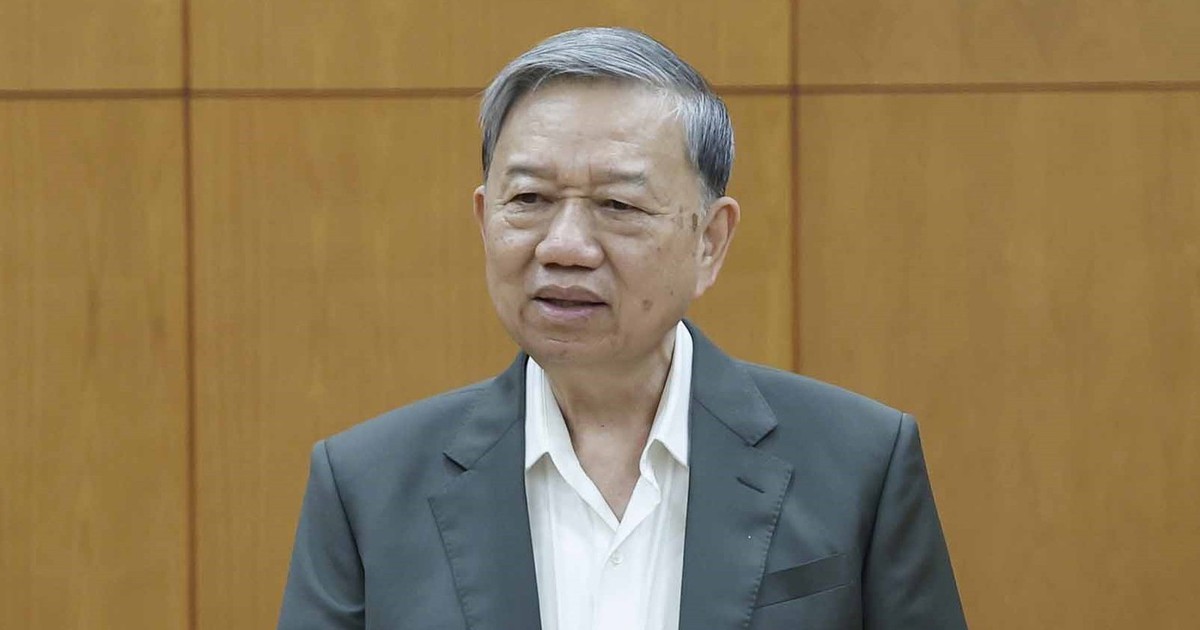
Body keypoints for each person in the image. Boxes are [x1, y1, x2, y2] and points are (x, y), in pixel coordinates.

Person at [278, 27, 967, 630]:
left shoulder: (859, 464)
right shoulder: (367, 486)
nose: (565, 246)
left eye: (617, 205)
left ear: (710, 241)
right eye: (530, 199)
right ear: (485, 219)